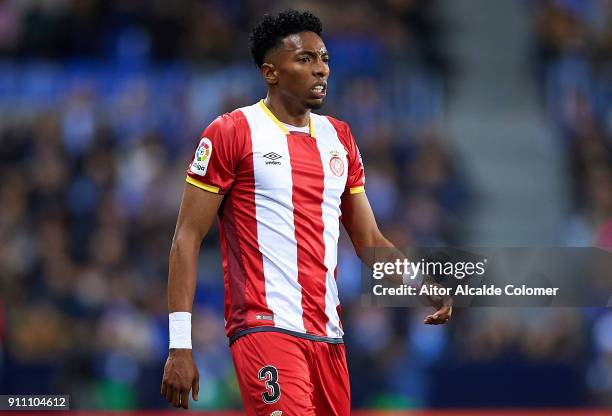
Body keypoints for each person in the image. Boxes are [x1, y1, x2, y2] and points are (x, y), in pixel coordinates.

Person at [160, 9, 452, 415]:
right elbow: (186, 238)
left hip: (329, 337)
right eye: (305, 59)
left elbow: (368, 239)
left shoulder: (340, 138)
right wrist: (180, 345)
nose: (321, 70)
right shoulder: (232, 132)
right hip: (265, 328)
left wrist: (420, 285)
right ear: (270, 72)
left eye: (325, 59)